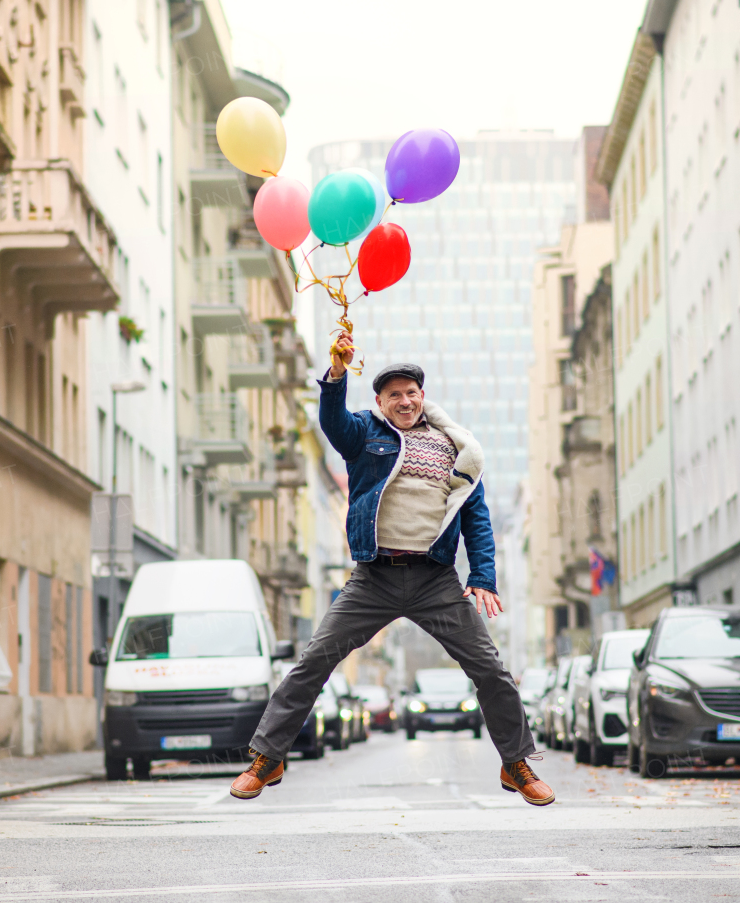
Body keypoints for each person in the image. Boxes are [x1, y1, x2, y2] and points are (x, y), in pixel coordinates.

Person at [230, 331, 554, 806]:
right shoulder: (366, 433)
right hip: (374, 579)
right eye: (394, 394)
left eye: (412, 393)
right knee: (314, 661)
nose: (405, 401)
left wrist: (482, 576)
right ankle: (267, 757)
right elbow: (333, 423)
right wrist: (337, 374)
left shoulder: (455, 447)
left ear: (423, 397)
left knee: (490, 669)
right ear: (380, 401)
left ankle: (515, 764)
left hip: (435, 580)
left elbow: (475, 516)